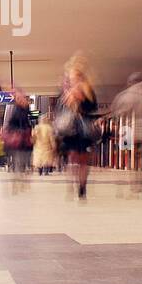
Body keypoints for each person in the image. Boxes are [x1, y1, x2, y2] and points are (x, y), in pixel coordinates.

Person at [55, 52, 98, 199]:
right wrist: (68, 100)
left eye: (77, 75)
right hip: (69, 130)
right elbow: (59, 110)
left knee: (84, 160)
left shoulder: (88, 89)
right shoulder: (64, 90)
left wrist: (82, 101)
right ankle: (72, 183)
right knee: (72, 158)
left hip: (84, 129)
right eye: (73, 75)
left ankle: (82, 186)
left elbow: (93, 107)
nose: (75, 78)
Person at [1, 89, 34, 186]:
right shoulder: (12, 107)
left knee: (23, 157)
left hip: (23, 138)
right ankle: (18, 175)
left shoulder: (25, 109)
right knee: (17, 157)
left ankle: (22, 174)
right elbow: (9, 122)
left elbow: (28, 123)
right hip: (16, 138)